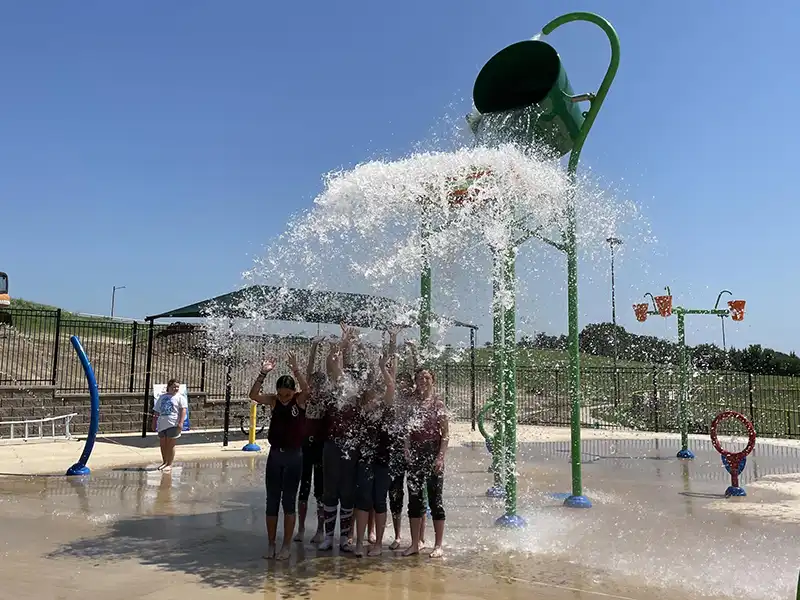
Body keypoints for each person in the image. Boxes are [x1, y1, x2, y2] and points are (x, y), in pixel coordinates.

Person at [249, 352, 309, 561]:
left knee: (289, 502)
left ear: (293, 392)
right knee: (272, 501)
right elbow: (254, 396)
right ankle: (271, 543)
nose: (284, 398)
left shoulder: (299, 401)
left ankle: (286, 546)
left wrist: (295, 369)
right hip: (275, 457)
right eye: (281, 394)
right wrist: (262, 373)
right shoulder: (274, 401)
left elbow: (308, 389)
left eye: (287, 395)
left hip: (294, 457)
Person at [319, 325, 360, 552]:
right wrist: (344, 341)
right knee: (329, 490)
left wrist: (350, 344)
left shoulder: (355, 393)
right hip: (332, 444)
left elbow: (337, 365)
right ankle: (328, 536)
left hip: (351, 445)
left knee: (347, 490)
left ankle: (345, 537)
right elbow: (331, 363)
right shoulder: (335, 389)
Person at [353, 350, 396, 557]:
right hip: (365, 459)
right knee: (363, 500)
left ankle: (378, 543)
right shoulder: (362, 412)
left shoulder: (386, 407)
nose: (374, 398)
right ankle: (360, 543)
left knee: (380, 501)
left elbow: (390, 385)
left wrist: (381, 367)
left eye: (376, 394)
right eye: (370, 395)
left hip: (383, 459)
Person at [403, 367, 448, 558]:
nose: (423, 380)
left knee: (435, 500)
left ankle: (438, 545)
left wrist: (440, 457)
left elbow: (445, 435)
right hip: (415, 453)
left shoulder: (438, 404)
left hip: (432, 453)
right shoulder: (411, 402)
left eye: (427, 377)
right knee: (414, 500)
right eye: (420, 377)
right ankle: (415, 543)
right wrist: (406, 448)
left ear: (433, 381)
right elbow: (406, 429)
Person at [296, 336, 328, 544]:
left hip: (320, 447)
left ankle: (320, 529)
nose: (314, 385)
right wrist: (314, 347)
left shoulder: (327, 399)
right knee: (304, 488)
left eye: (318, 382)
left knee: (320, 490)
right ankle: (300, 529)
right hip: (305, 447)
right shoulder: (305, 398)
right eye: (312, 383)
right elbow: (307, 372)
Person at [153, 378, 188, 473]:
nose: (176, 388)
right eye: (174, 387)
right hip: (162, 424)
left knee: (170, 443)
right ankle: (164, 462)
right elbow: (156, 411)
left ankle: (169, 464)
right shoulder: (162, 397)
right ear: (168, 387)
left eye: (177, 387)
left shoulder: (180, 398)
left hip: (173, 423)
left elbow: (183, 410)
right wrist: (154, 422)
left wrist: (180, 423)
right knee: (163, 444)